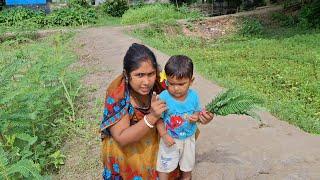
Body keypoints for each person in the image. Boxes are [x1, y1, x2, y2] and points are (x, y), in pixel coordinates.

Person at [101, 43, 214, 179]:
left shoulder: (163, 83)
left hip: (161, 133)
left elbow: (184, 109)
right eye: (139, 75)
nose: (146, 82)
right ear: (127, 74)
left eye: (151, 74)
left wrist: (201, 117)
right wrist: (152, 117)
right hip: (129, 143)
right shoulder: (117, 94)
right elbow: (122, 138)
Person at [156, 55, 203, 180]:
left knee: (187, 168)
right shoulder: (163, 97)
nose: (176, 88)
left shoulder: (194, 97)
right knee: (164, 167)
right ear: (166, 80)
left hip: (189, 139)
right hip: (170, 139)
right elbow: (158, 119)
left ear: (191, 81)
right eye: (171, 83)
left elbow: (198, 112)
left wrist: (196, 117)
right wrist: (164, 135)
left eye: (181, 84)